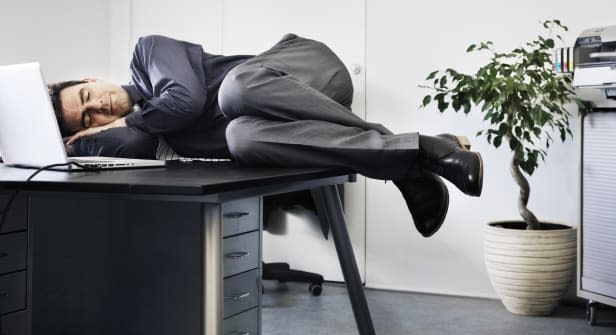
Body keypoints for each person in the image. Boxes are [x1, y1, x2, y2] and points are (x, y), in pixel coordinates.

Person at [48, 34, 483, 237]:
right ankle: (418, 155)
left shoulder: (148, 55)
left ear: (91, 76)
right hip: (305, 117)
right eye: (87, 118)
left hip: (310, 70)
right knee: (241, 139)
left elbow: (184, 99)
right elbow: (131, 148)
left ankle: (405, 151)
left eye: (88, 95)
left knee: (236, 89)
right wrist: (77, 143)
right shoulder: (148, 136)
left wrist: (125, 121)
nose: (98, 107)